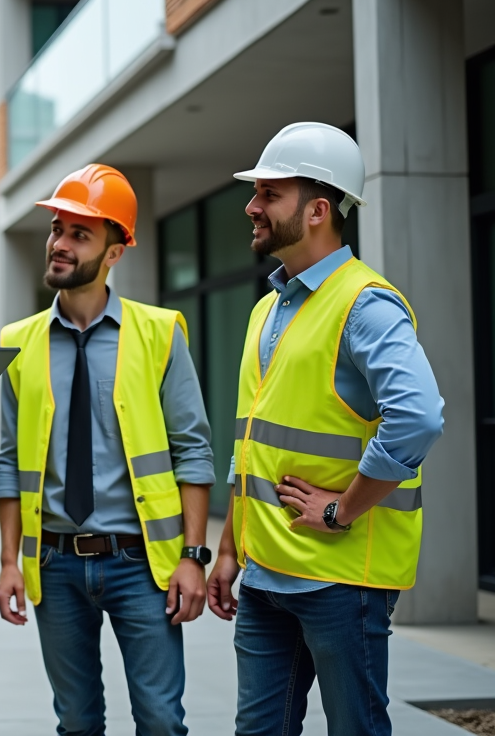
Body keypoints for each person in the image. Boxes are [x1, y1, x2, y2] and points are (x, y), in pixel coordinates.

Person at [205, 122, 445, 736]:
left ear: (316, 210)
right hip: (264, 576)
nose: (252, 207)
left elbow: (417, 417)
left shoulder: (365, 303)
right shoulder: (268, 307)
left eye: (269, 194)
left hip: (341, 582)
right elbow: (251, 443)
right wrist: (229, 548)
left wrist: (342, 510)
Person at [0, 164, 215, 736]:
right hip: (56, 567)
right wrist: (7, 562)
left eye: (79, 234)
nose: (60, 244)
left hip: (141, 566)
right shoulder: (18, 343)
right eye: (57, 230)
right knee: (76, 722)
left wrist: (193, 557)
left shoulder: (160, 333)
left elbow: (194, 452)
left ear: (115, 252)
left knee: (162, 722)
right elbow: (9, 463)